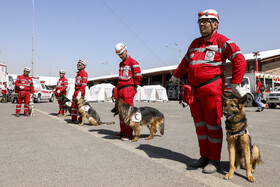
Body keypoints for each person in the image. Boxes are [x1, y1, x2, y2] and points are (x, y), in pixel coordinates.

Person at [169, 9, 247, 174]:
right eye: (200, 22)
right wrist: (176, 76)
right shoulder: (195, 43)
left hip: (212, 91)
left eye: (206, 22)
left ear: (215, 24)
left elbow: (239, 59)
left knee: (212, 126)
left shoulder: (222, 41)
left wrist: (235, 83)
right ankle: (204, 157)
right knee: (200, 127)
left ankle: (214, 160)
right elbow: (185, 61)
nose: (202, 25)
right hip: (194, 93)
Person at [114, 43, 142, 141]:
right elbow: (120, 78)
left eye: (121, 54)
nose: (120, 56)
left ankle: (129, 133)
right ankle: (123, 131)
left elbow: (138, 76)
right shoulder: (121, 64)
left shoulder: (133, 62)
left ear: (126, 51)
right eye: (119, 55)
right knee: (121, 112)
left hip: (128, 89)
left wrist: (134, 87)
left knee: (128, 112)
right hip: (121, 89)